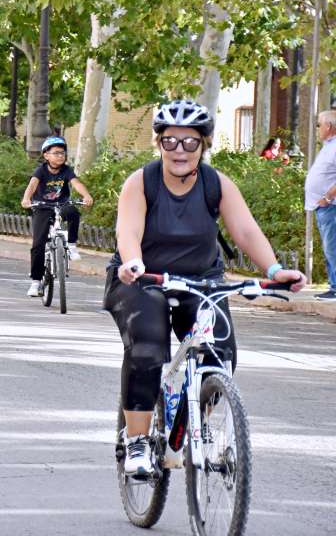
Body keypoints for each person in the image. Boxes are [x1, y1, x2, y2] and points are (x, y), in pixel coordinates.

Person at [106, 100, 306, 477]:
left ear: (204, 144)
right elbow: (128, 230)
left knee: (222, 355)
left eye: (189, 142)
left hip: (200, 280)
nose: (179, 150)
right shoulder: (142, 181)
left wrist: (275, 270)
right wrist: (133, 262)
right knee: (148, 345)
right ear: (158, 144)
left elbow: (245, 231)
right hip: (142, 278)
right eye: (169, 141)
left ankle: (186, 425)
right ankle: (136, 440)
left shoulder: (216, 184)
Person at [20, 136, 94, 297]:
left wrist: (86, 195)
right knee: (38, 245)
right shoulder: (41, 170)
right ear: (46, 155)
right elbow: (32, 184)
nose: (61, 156)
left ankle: (72, 245)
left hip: (61, 205)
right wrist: (26, 199)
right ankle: (36, 282)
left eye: (63, 153)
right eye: (56, 153)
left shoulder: (66, 170)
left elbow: (76, 183)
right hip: (43, 207)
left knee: (73, 212)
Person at [305, 110, 336, 301]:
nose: (317, 128)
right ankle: (333, 286)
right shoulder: (328, 146)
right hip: (323, 207)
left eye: (319, 125)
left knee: (332, 247)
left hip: (331, 206)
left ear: (329, 127)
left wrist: (327, 197)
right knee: (328, 247)